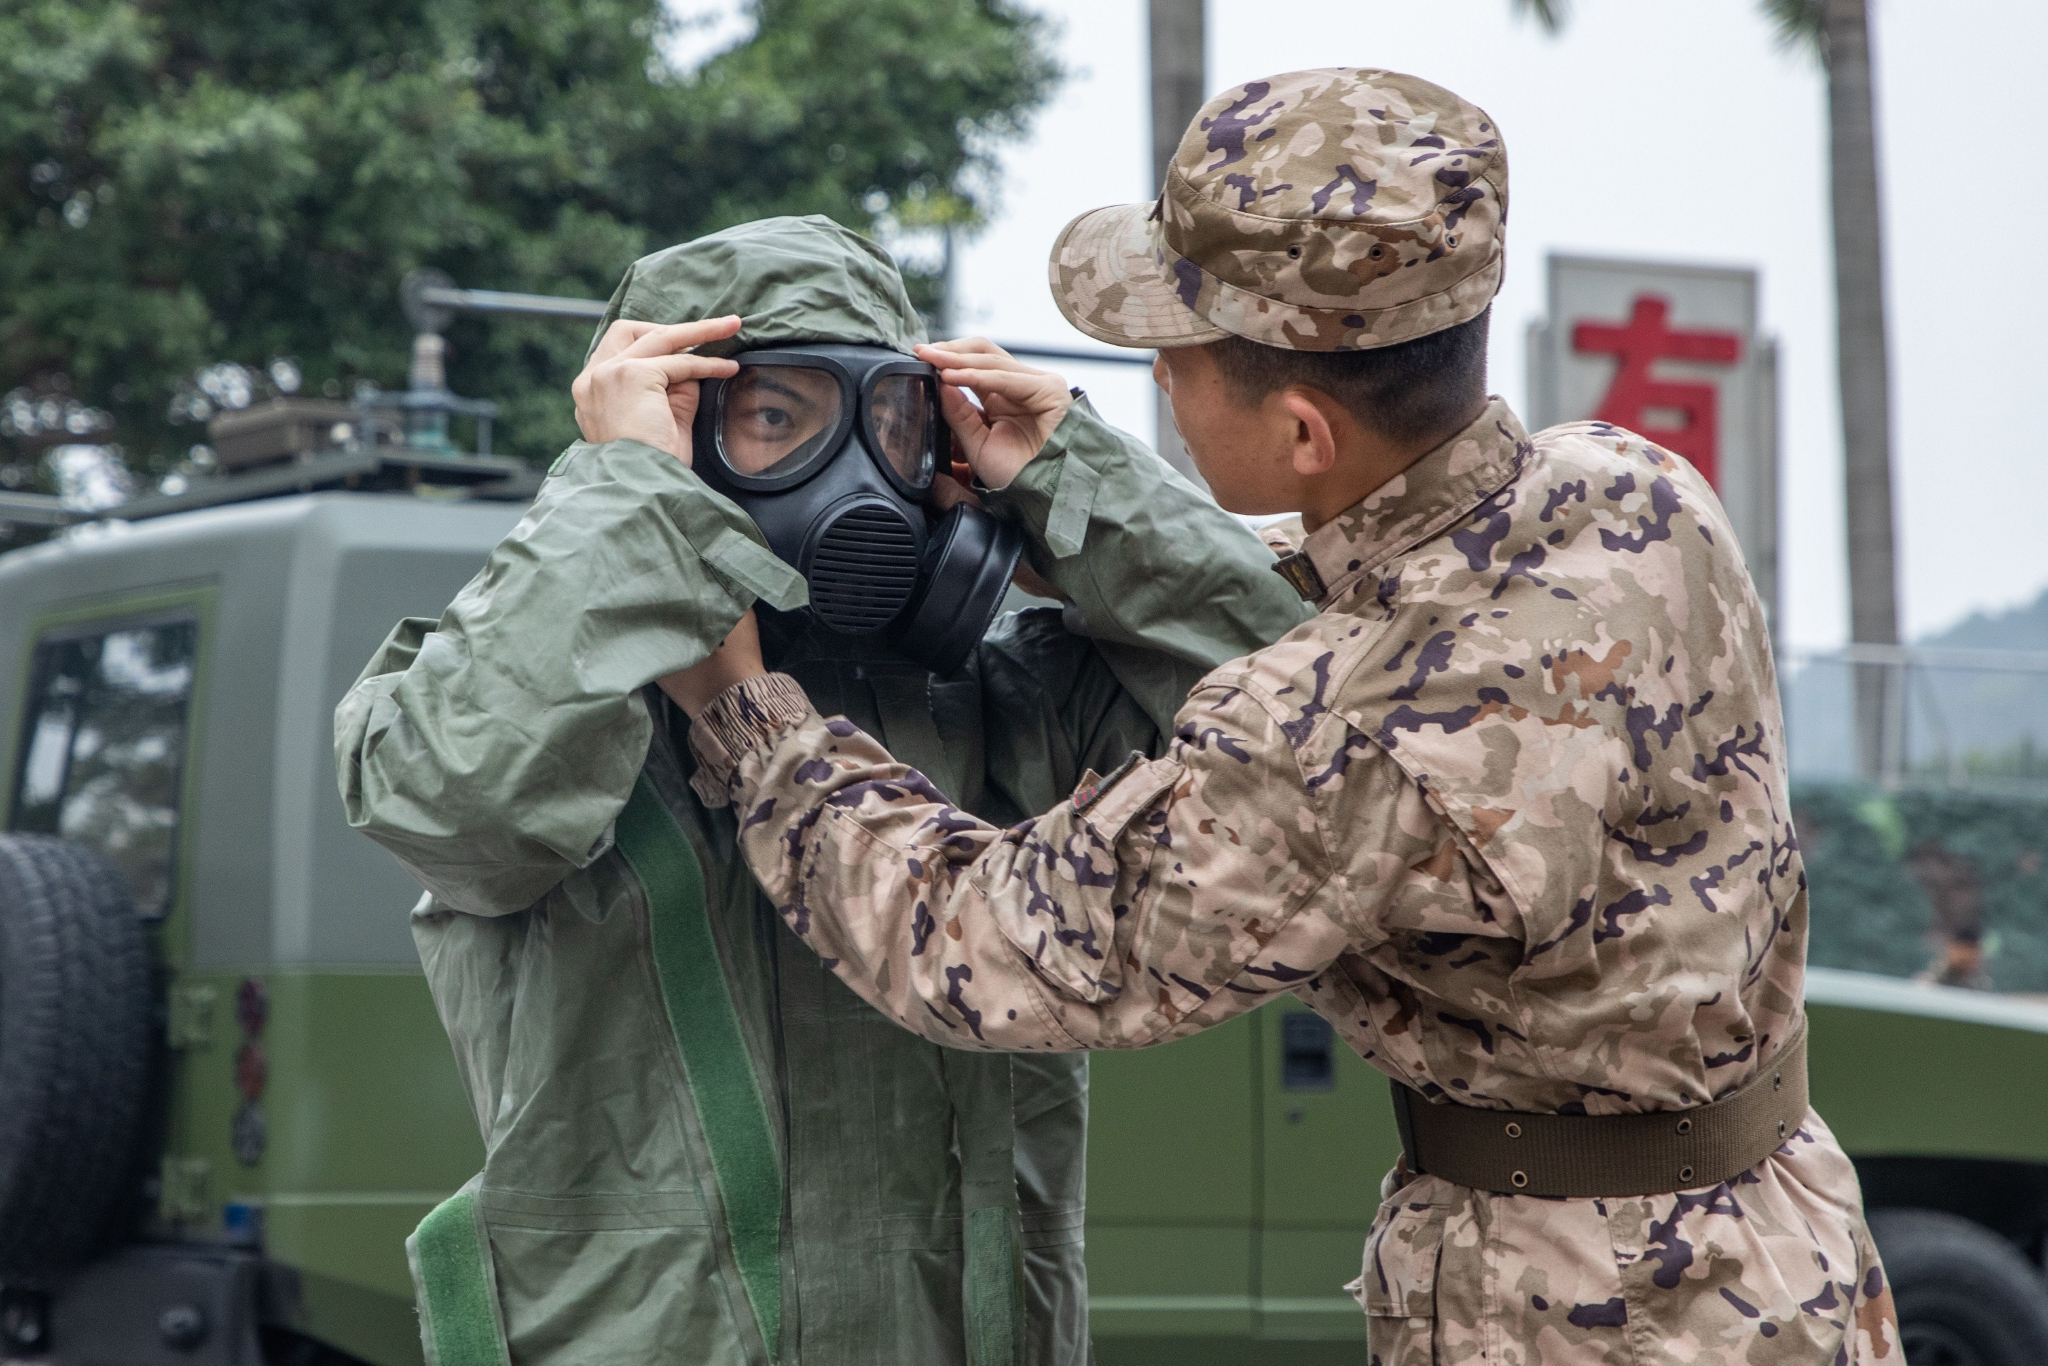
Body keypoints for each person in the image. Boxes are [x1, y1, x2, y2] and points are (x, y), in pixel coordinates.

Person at [654, 73, 1901, 1363]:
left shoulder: (1325, 743)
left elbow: (976, 938)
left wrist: (749, 716)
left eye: (1175, 361)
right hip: (1777, 1252)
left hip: (1576, 1315)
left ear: (1300, 426)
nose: (1162, 384)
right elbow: (1391, 589)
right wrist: (1084, 511)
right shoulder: (1636, 489)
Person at [333, 215, 1309, 1365]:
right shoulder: (547, 689)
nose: (847, 468)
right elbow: (453, 804)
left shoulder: (1005, 695)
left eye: (886, 423)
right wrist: (629, 508)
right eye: (776, 420)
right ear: (673, 432)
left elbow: (1306, 744)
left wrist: (1077, 492)